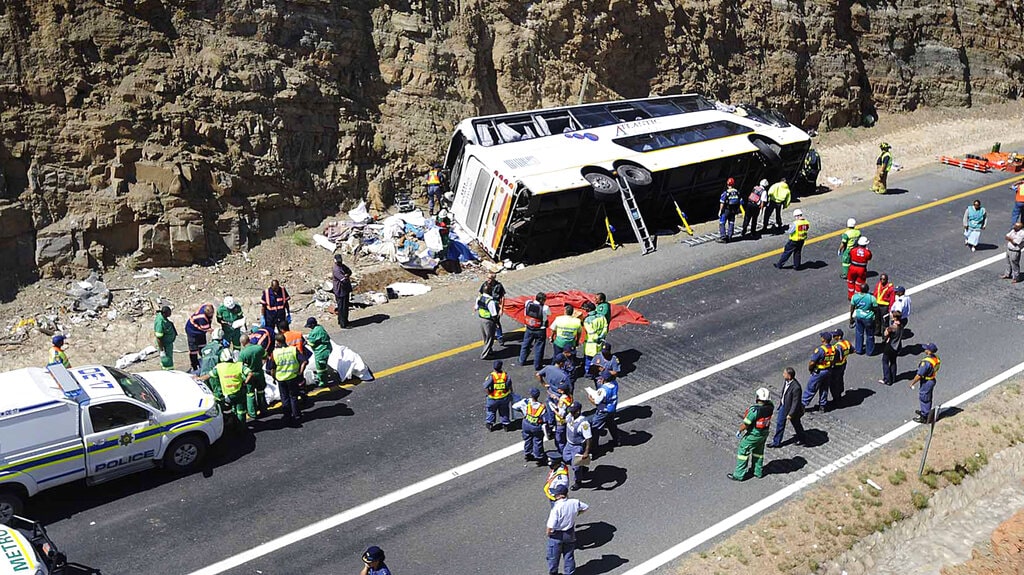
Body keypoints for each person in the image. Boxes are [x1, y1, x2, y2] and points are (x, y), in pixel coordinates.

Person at [728, 387, 774, 481]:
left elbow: (746, 424)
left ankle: (739, 475)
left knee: (743, 450)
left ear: (758, 397)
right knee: (758, 452)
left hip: (754, 434)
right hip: (764, 433)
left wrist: (739, 430)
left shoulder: (754, 411)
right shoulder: (771, 406)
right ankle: (757, 471)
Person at [546, 484, 588, 575]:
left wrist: (549, 534)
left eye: (556, 494)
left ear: (561, 495)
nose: (555, 496)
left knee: (553, 557)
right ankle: (570, 573)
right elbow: (585, 507)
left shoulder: (556, 508)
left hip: (557, 535)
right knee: (569, 555)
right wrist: (577, 513)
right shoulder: (574, 502)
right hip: (569, 533)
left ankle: (553, 573)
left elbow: (550, 526)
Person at [270, 333, 306, 425]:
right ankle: (297, 415)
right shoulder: (293, 350)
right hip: (292, 377)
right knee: (293, 397)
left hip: (281, 379)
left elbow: (272, 368)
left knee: (284, 398)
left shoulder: (275, 353)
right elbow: (304, 361)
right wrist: (300, 372)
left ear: (277, 342)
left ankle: (287, 416)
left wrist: (273, 377)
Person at [207, 349, 248, 424]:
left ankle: (234, 422)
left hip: (228, 395)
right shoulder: (239, 365)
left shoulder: (219, 367)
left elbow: (209, 375)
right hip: (239, 392)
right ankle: (241, 426)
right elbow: (249, 373)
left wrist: (198, 378)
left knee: (233, 408)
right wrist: (245, 382)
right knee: (241, 411)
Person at [768, 368, 805, 448]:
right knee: (780, 424)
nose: (783, 374)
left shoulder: (796, 387)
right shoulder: (786, 381)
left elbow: (795, 402)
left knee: (797, 425)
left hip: (792, 410)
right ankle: (776, 442)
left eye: (784, 373)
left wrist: (791, 414)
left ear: (789, 376)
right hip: (784, 407)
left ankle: (802, 438)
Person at [513, 388, 550, 464]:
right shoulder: (542, 407)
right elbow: (546, 419)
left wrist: (523, 412)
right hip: (536, 426)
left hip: (526, 423)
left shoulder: (525, 402)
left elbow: (514, 406)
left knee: (527, 439)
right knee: (537, 441)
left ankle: (528, 453)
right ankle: (539, 456)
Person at [562, 402, 592, 490]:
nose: (570, 413)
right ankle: (582, 468)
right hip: (569, 444)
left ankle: (578, 482)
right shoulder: (570, 416)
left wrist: (586, 452)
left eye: (573, 412)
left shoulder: (584, 424)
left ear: (578, 412)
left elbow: (589, 439)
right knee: (566, 457)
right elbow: (565, 421)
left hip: (577, 446)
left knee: (576, 466)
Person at [802, 332, 835, 413]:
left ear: (823, 339)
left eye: (822, 337)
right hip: (828, 371)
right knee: (824, 388)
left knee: (811, 388)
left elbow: (812, 362)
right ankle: (822, 406)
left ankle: (803, 405)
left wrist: (810, 369)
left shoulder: (820, 350)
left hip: (819, 372)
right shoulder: (833, 349)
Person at [588, 373, 620, 453]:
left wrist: (590, 398)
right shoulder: (615, 383)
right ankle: (617, 441)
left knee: (595, 428)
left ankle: (594, 449)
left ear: (604, 379)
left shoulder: (603, 390)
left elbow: (597, 402)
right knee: (611, 424)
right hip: (612, 408)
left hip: (603, 411)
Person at [910, 343, 941, 423]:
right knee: (927, 397)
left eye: (926, 349)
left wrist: (912, 383)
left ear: (929, 351)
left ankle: (924, 416)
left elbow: (919, 375)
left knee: (924, 398)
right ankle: (925, 411)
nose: (925, 349)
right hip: (932, 379)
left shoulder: (926, 362)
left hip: (926, 381)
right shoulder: (936, 358)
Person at [239, 337, 267, 419]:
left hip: (249, 376)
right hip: (259, 373)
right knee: (261, 392)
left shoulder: (243, 353)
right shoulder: (259, 348)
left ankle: (252, 413)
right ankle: (263, 410)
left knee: (250, 394)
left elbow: (239, 367)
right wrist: (261, 364)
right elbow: (265, 356)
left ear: (243, 343)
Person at [520, 292, 550, 369]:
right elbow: (549, 314)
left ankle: (522, 360)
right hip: (540, 330)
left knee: (525, 345)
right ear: (541, 300)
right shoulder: (545, 308)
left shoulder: (528, 303)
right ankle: (537, 365)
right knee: (539, 347)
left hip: (529, 328)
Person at [484, 360, 513, 431]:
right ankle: (506, 424)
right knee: (504, 411)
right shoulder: (505, 375)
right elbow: (509, 386)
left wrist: (489, 394)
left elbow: (486, 386)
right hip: (504, 397)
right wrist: (511, 394)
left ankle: (490, 424)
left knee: (491, 411)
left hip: (493, 398)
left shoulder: (491, 376)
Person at [185, 304, 215, 371]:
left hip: (200, 332)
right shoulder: (202, 318)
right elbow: (206, 328)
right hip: (193, 332)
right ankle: (194, 366)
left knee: (203, 346)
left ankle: (204, 361)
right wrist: (212, 331)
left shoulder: (207, 308)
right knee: (193, 350)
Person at [849, 283, 877, 355]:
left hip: (859, 317)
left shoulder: (854, 297)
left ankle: (858, 349)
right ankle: (869, 351)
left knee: (859, 333)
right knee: (870, 335)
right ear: (867, 290)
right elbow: (875, 308)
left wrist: (851, 318)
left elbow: (852, 308)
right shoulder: (871, 298)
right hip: (868, 318)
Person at [581, 302, 608, 374]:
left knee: (589, 359)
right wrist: (601, 337)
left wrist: (596, 338)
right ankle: (598, 371)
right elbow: (605, 328)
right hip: (600, 341)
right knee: (599, 358)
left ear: (589, 309)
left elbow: (591, 332)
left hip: (591, 343)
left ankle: (588, 373)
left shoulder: (587, 320)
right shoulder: (602, 317)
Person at [305, 317, 333, 387]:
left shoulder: (315, 332)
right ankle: (323, 378)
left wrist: (306, 342)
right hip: (325, 349)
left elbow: (312, 343)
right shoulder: (319, 328)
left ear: (313, 324)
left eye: (309, 326)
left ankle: (323, 382)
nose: (309, 328)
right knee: (323, 365)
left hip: (321, 351)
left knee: (320, 368)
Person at [475, 287, 501, 360]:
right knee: (490, 338)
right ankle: (485, 354)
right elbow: (494, 314)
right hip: (488, 321)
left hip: (481, 319)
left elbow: (476, 307)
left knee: (485, 337)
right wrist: (497, 323)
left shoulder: (479, 298)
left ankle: (489, 350)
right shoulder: (490, 301)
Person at [479, 272, 506, 343]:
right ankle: (490, 336)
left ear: (494, 279)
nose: (488, 279)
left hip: (495, 306)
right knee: (489, 322)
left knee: (496, 321)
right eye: (487, 278)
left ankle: (500, 337)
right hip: (487, 306)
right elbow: (481, 294)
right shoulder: (485, 284)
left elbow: (502, 297)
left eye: (489, 278)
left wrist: (501, 309)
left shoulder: (498, 286)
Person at [880, 310, 903, 386]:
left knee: (885, 361)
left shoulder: (892, 328)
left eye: (892, 316)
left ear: (895, 318)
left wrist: (886, 328)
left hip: (890, 346)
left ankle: (887, 379)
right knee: (893, 362)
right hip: (897, 346)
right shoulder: (901, 325)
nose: (891, 317)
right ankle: (893, 377)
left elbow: (885, 334)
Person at [830, 329, 852, 405]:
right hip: (844, 364)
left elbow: (837, 358)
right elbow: (852, 350)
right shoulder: (847, 343)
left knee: (834, 382)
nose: (833, 337)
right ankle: (840, 392)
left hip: (837, 367)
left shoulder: (837, 346)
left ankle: (836, 398)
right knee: (840, 379)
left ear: (839, 336)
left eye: (835, 336)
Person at [548, 384, 573, 453]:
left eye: (559, 389)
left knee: (560, 440)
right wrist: (556, 398)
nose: (558, 390)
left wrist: (553, 409)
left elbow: (560, 415)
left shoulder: (562, 400)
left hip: (561, 422)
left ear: (562, 391)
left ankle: (562, 453)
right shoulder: (569, 396)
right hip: (568, 419)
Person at [717, 177, 742, 242]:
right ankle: (730, 236)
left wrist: (720, 211)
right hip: (733, 210)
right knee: (731, 222)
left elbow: (722, 202)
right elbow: (740, 201)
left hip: (726, 210)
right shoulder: (737, 192)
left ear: (727, 184)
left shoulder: (726, 193)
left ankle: (723, 237)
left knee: (722, 223)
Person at [331, 253, 353, 329]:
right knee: (342, 308)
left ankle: (342, 320)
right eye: (338, 261)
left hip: (345, 290)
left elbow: (349, 271)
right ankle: (343, 324)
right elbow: (343, 280)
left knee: (345, 306)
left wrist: (347, 275)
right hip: (340, 291)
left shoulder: (342, 266)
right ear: (335, 261)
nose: (340, 262)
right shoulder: (336, 269)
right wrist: (346, 276)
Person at [153, 306, 177, 370]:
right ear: (164, 313)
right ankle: (169, 372)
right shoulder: (160, 322)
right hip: (165, 346)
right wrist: (162, 350)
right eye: (169, 313)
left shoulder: (164, 318)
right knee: (167, 361)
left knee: (168, 359)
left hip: (168, 344)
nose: (170, 314)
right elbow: (159, 338)